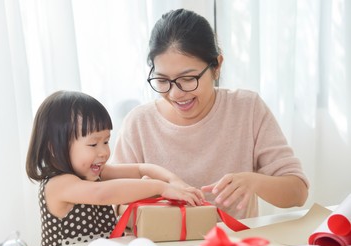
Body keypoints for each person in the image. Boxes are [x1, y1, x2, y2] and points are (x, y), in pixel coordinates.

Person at [112, 8, 309, 219]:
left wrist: (254, 182)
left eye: (188, 79)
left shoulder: (247, 108)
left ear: (217, 67)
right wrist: (150, 201)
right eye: (162, 80)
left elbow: (298, 192)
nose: (175, 93)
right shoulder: (139, 122)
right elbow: (112, 202)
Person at [26, 90, 204, 246]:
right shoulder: (59, 184)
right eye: (93, 144)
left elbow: (142, 169)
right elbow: (102, 194)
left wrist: (174, 181)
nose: (103, 152)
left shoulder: (96, 174)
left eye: (106, 141)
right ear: (55, 147)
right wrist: (161, 187)